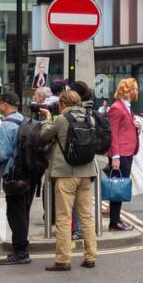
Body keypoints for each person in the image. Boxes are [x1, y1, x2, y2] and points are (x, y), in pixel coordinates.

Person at [36, 88, 98, 271]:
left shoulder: (62, 119)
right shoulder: (90, 118)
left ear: (62, 103)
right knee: (86, 216)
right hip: (86, 172)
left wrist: (48, 118)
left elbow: (44, 135)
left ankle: (63, 260)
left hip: (65, 174)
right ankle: (90, 257)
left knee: (63, 217)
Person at [0, 92, 31, 265]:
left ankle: (20, 252)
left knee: (15, 213)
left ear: (5, 104)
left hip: (14, 175)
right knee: (24, 212)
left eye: (0, 104)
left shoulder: (7, 125)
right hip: (29, 173)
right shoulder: (25, 120)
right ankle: (22, 249)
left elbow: (1, 153)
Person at [106, 78, 141, 231]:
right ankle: (114, 222)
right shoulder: (116, 108)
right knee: (117, 187)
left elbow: (124, 130)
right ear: (128, 91)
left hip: (126, 152)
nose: (137, 92)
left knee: (120, 187)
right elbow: (113, 134)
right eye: (136, 89)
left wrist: (137, 128)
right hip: (120, 154)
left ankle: (117, 219)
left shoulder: (126, 107)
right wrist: (115, 157)